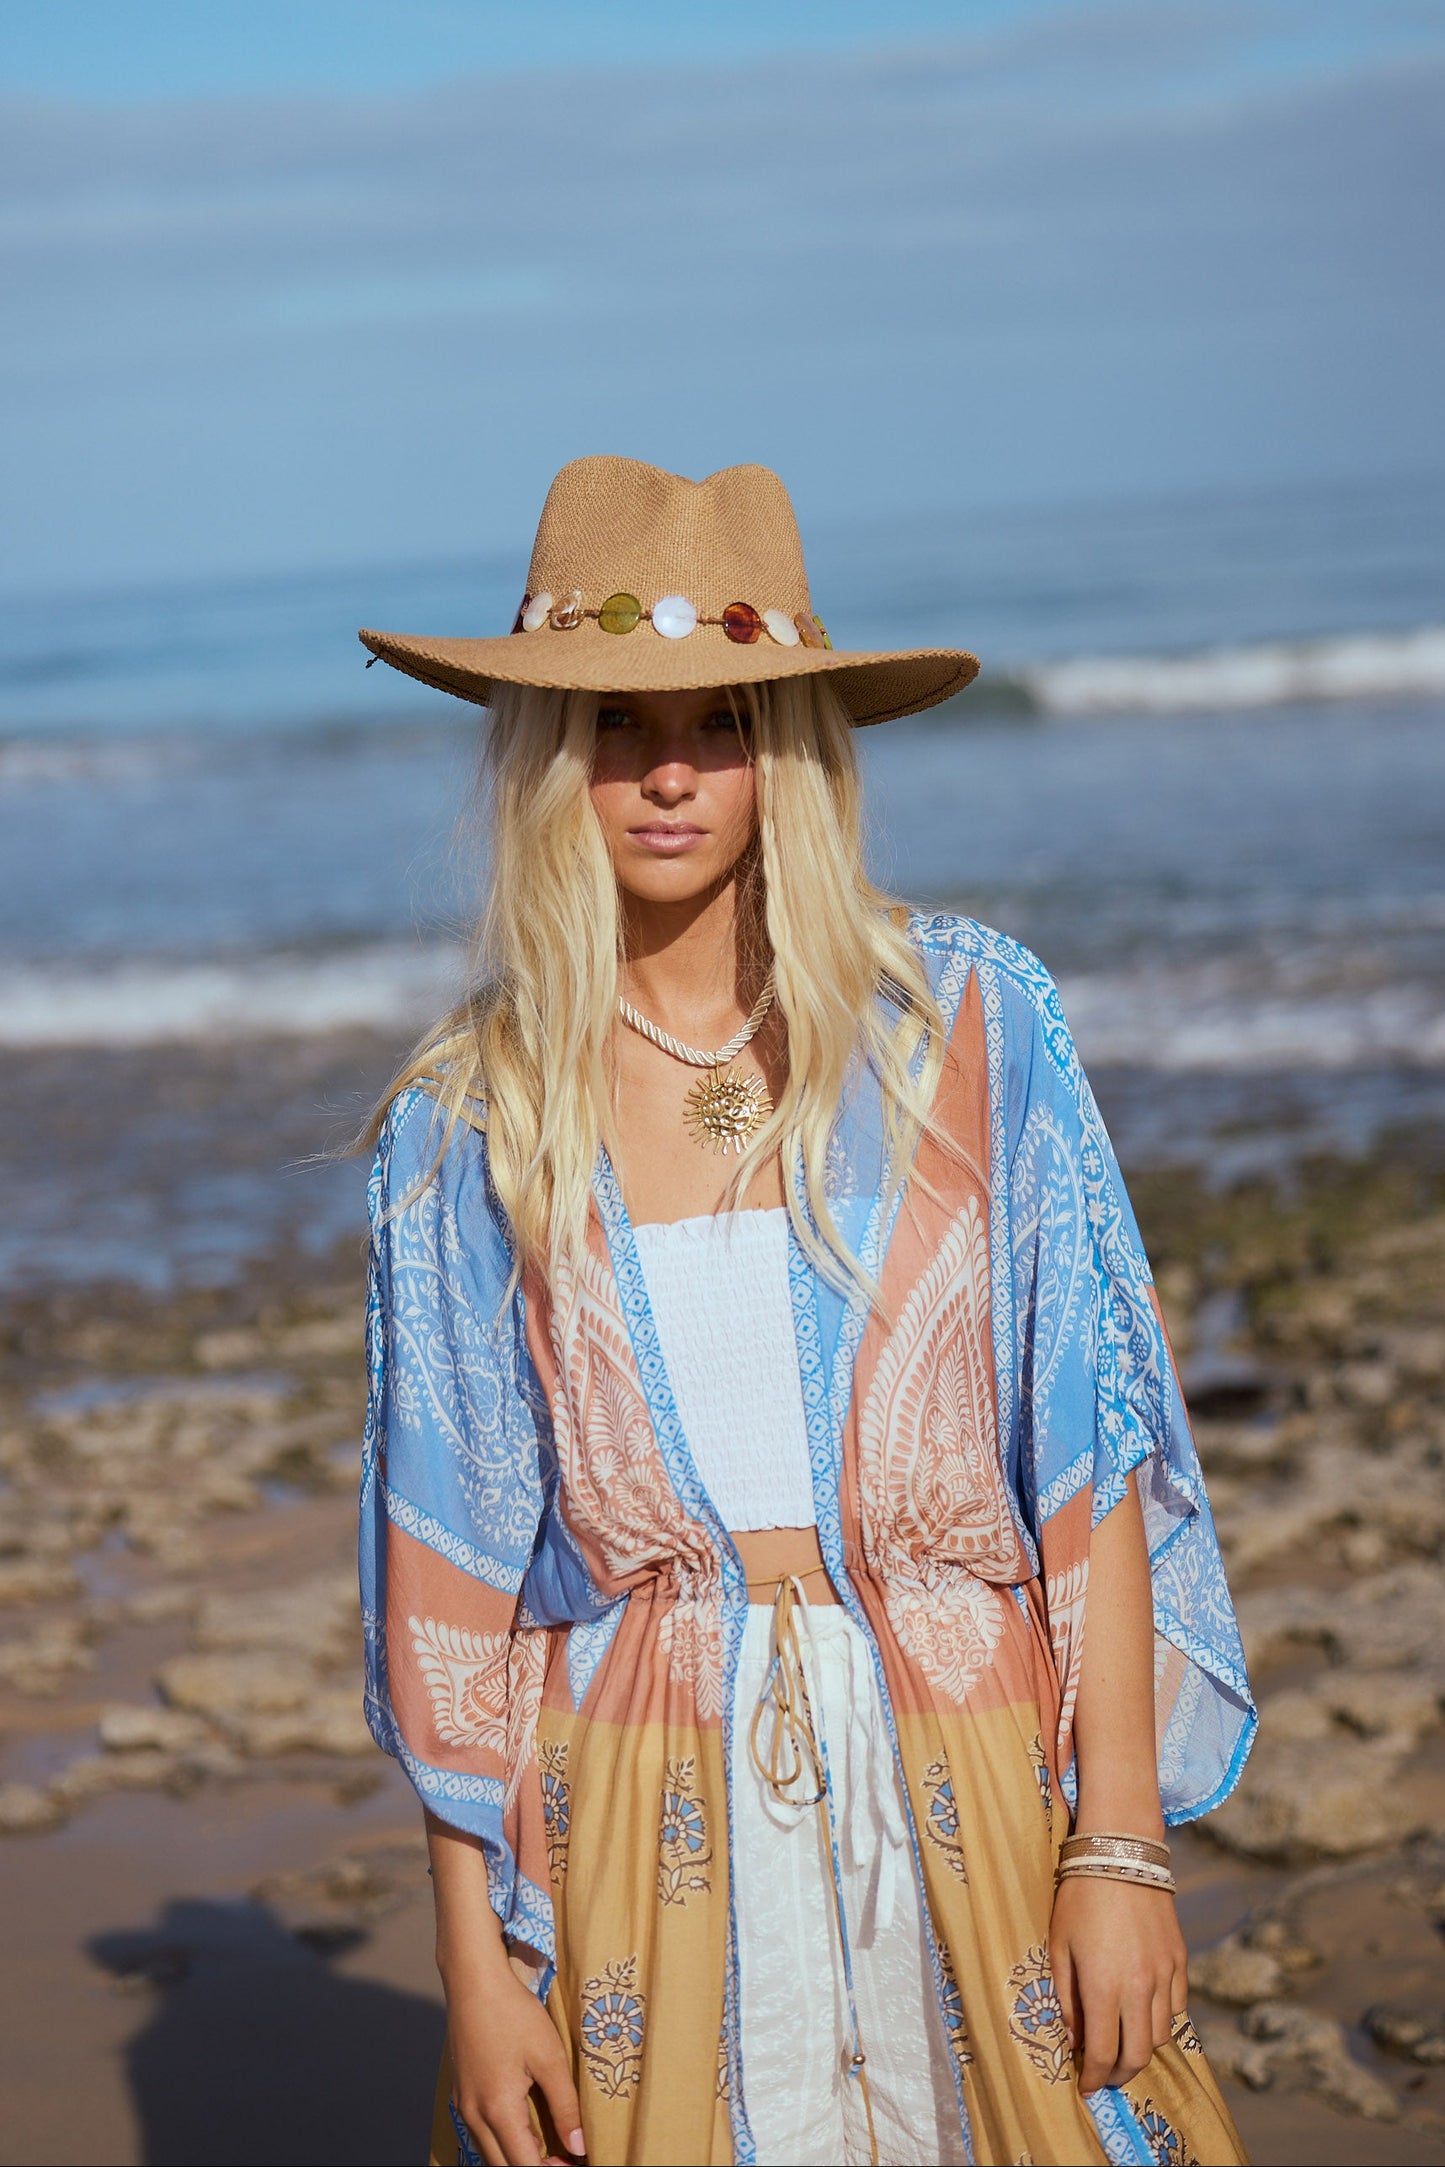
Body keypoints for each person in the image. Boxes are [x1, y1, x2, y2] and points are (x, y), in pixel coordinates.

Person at [357, 456, 1253, 2167]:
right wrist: (475, 1973)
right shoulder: (464, 1119)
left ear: (793, 747)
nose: (669, 772)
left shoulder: (970, 1028)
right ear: (551, 761)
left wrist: (1119, 1849)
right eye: (617, 728)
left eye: (721, 720)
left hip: (976, 1763)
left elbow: (1093, 1460)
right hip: (631, 1802)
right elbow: (448, 1583)